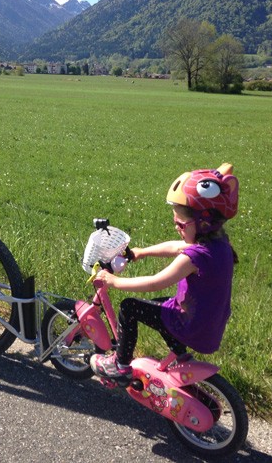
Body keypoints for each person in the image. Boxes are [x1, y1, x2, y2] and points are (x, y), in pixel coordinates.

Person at [90, 163, 239, 380]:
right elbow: (174, 247)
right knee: (159, 306)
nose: (176, 228)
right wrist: (142, 252)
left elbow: (154, 282)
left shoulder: (195, 257)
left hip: (190, 324)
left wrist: (113, 281)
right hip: (208, 321)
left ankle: (119, 365)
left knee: (129, 307)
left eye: (180, 223)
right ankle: (179, 353)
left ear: (203, 223)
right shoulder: (217, 244)